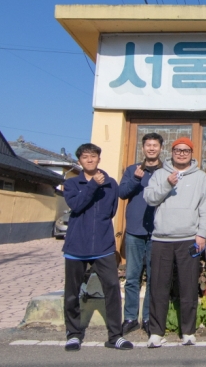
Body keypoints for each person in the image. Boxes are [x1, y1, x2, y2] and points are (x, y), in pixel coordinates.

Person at [143, 137, 206, 347]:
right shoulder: (159, 174)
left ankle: (188, 331)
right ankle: (156, 332)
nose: (181, 153)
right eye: (178, 150)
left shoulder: (201, 177)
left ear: (191, 153)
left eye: (186, 150)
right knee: (158, 287)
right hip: (161, 239)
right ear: (172, 152)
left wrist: (202, 234)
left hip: (189, 239)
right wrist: (167, 184)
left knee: (188, 286)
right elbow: (149, 198)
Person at [62, 143, 132, 351]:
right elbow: (76, 205)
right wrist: (92, 185)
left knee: (112, 289)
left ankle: (115, 336)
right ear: (79, 161)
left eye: (93, 156)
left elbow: (111, 211)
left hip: (103, 246)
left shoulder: (110, 183)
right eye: (85, 157)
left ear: (99, 159)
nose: (90, 160)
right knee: (72, 293)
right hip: (76, 246)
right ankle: (73, 334)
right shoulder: (72, 183)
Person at [119, 132, 163, 337]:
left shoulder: (165, 170)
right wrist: (136, 179)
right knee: (132, 277)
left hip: (158, 232)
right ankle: (130, 318)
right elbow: (122, 193)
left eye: (155, 145)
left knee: (154, 277)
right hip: (135, 231)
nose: (151, 148)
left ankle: (147, 318)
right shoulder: (133, 169)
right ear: (143, 148)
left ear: (160, 148)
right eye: (148, 145)